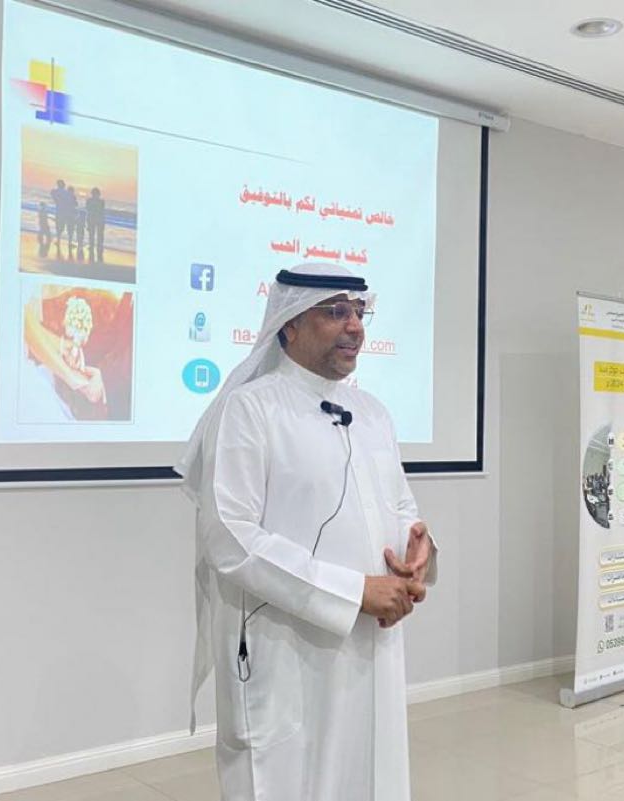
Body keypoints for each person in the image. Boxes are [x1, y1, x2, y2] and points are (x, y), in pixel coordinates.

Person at [179, 262, 437, 801]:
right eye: (336, 312)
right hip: (287, 647)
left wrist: (419, 557)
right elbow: (230, 536)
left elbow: (400, 505)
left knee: (370, 774)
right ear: (290, 324)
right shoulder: (250, 409)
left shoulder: (372, 413)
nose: (355, 326)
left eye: (359, 311)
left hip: (374, 638)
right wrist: (353, 592)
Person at [85, 187, 105, 263]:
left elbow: (88, 210)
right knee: (95, 235)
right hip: (96, 219)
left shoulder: (90, 201)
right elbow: (100, 211)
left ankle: (95, 246)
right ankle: (97, 247)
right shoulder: (101, 201)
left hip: (95, 219)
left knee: (95, 235)